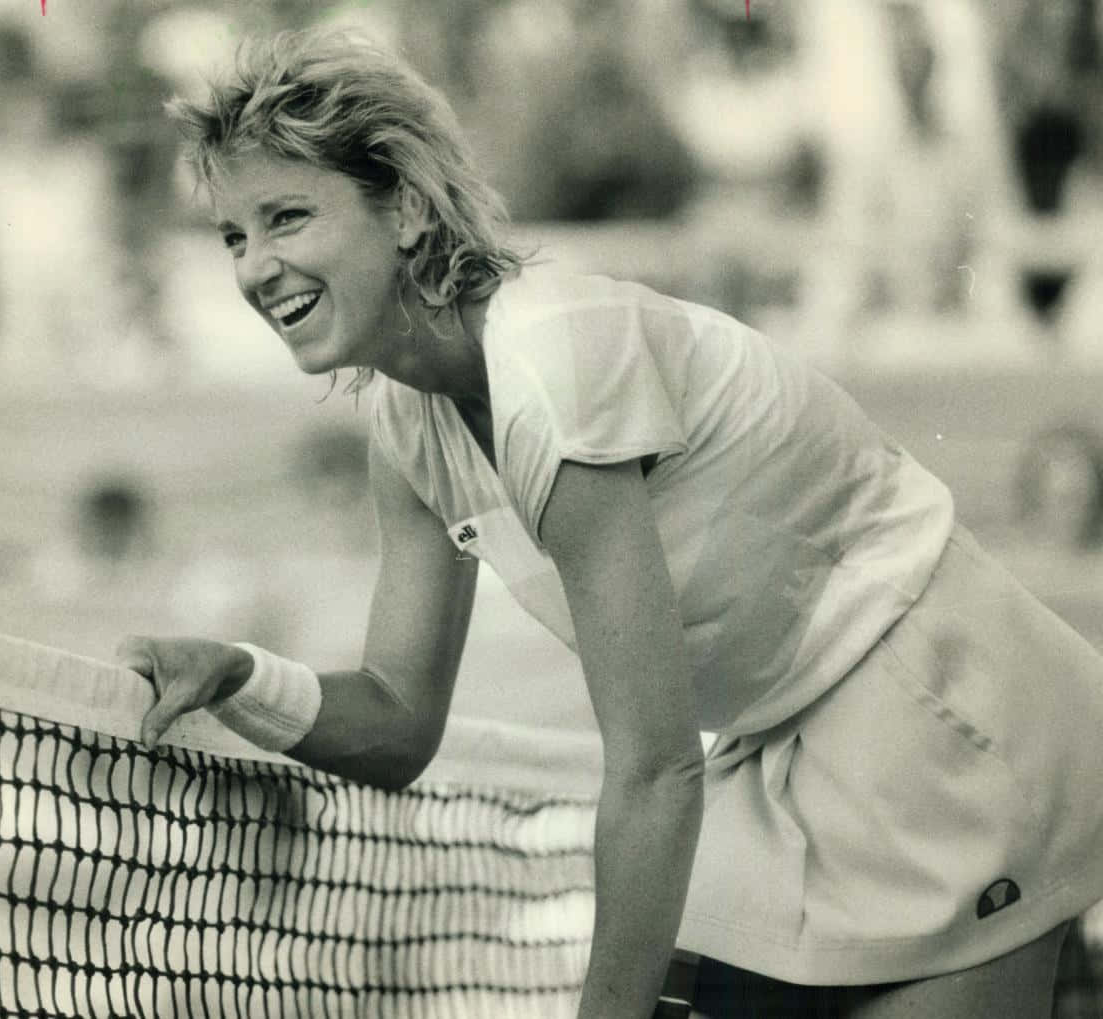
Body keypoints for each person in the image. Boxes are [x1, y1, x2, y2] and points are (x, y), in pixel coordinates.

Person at [119, 28, 1103, 1018]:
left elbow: (654, 762)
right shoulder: (405, 423)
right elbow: (396, 715)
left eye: (288, 217)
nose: (256, 269)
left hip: (957, 718)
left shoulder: (552, 364)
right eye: (235, 235)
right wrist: (244, 676)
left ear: (408, 208)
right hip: (799, 756)